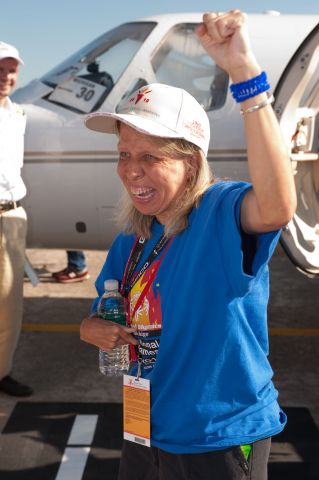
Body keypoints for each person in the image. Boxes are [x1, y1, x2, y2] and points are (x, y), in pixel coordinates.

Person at [80, 10, 297, 480]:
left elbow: (278, 204)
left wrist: (244, 77)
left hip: (217, 435)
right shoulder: (133, 238)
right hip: (146, 429)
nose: (130, 170)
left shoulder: (219, 214)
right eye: (123, 155)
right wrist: (91, 327)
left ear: (190, 163)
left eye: (149, 157)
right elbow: (107, 310)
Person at [0, 41, 33, 397]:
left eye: (11, 70)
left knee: (9, 305)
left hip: (12, 215)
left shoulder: (17, 115)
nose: (6, 77)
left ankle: (1, 372)